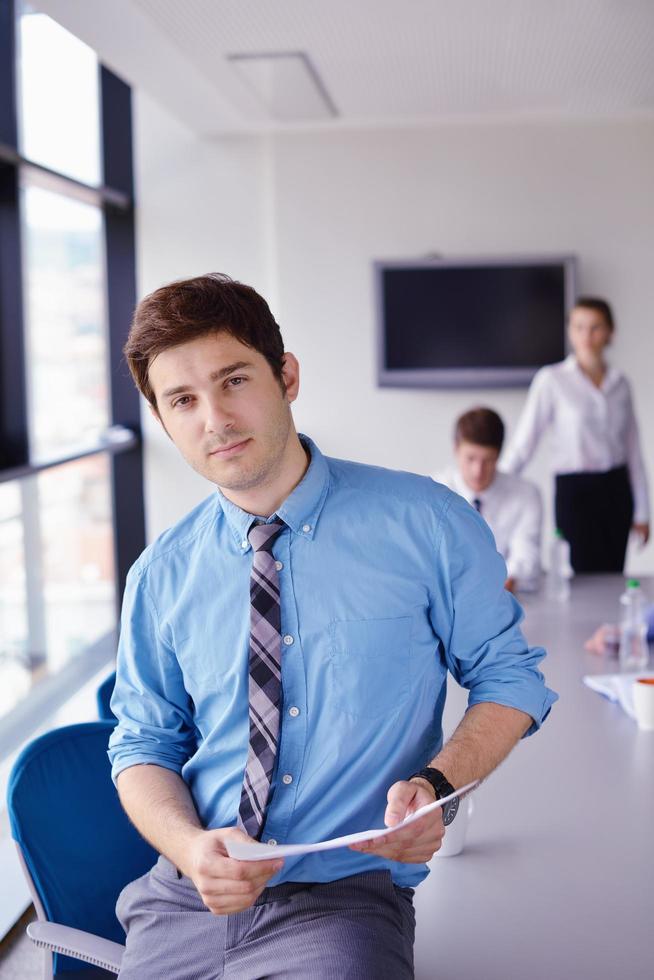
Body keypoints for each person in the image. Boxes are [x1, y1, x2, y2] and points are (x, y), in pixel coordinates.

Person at [108, 273, 557, 980]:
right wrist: (189, 848)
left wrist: (437, 788)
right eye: (183, 400)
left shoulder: (426, 523)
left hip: (342, 900)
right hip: (187, 900)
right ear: (162, 420)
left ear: (286, 375)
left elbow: (512, 677)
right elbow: (142, 743)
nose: (215, 420)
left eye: (234, 380)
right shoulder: (159, 574)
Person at [502, 297, 650, 574]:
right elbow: (525, 442)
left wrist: (642, 512)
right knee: (579, 576)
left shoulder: (621, 384)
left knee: (612, 575)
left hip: (616, 490)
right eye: (579, 327)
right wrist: (495, 484)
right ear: (570, 331)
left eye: (595, 328)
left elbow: (633, 450)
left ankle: (611, 620)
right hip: (575, 492)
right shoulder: (552, 380)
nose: (587, 336)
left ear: (610, 332)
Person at [434, 407, 542, 593]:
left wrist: (500, 580)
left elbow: (526, 557)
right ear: (456, 449)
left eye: (488, 460)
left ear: (499, 454)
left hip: (507, 599)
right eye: (471, 458)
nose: (478, 471)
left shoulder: (526, 494)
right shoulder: (434, 492)